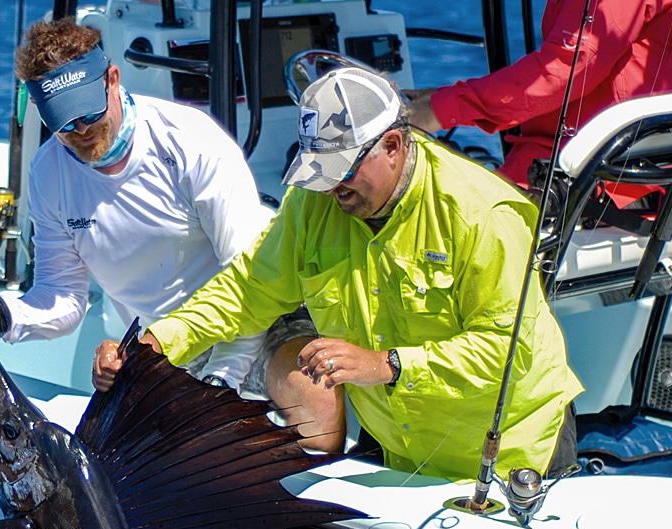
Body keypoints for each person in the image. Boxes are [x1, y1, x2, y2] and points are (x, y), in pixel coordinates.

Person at [95, 67, 585, 481]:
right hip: (400, 449)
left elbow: (507, 350)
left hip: (514, 454)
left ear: (392, 145)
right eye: (319, 172)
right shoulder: (314, 202)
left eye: (342, 170)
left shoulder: (483, 214)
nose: (331, 189)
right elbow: (249, 289)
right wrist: (157, 343)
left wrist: (385, 365)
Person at [0, 18, 344, 450]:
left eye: (90, 112)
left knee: (317, 412)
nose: (81, 130)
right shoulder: (48, 174)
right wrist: (8, 316)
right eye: (64, 123)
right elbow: (63, 299)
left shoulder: (189, 140)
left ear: (112, 79)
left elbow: (253, 284)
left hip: (258, 316)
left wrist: (218, 385)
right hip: (166, 344)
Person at [407, 0, 672, 188]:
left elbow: (565, 70)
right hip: (591, 169)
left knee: (417, 201)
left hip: (592, 184)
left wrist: (440, 109)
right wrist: (443, 99)